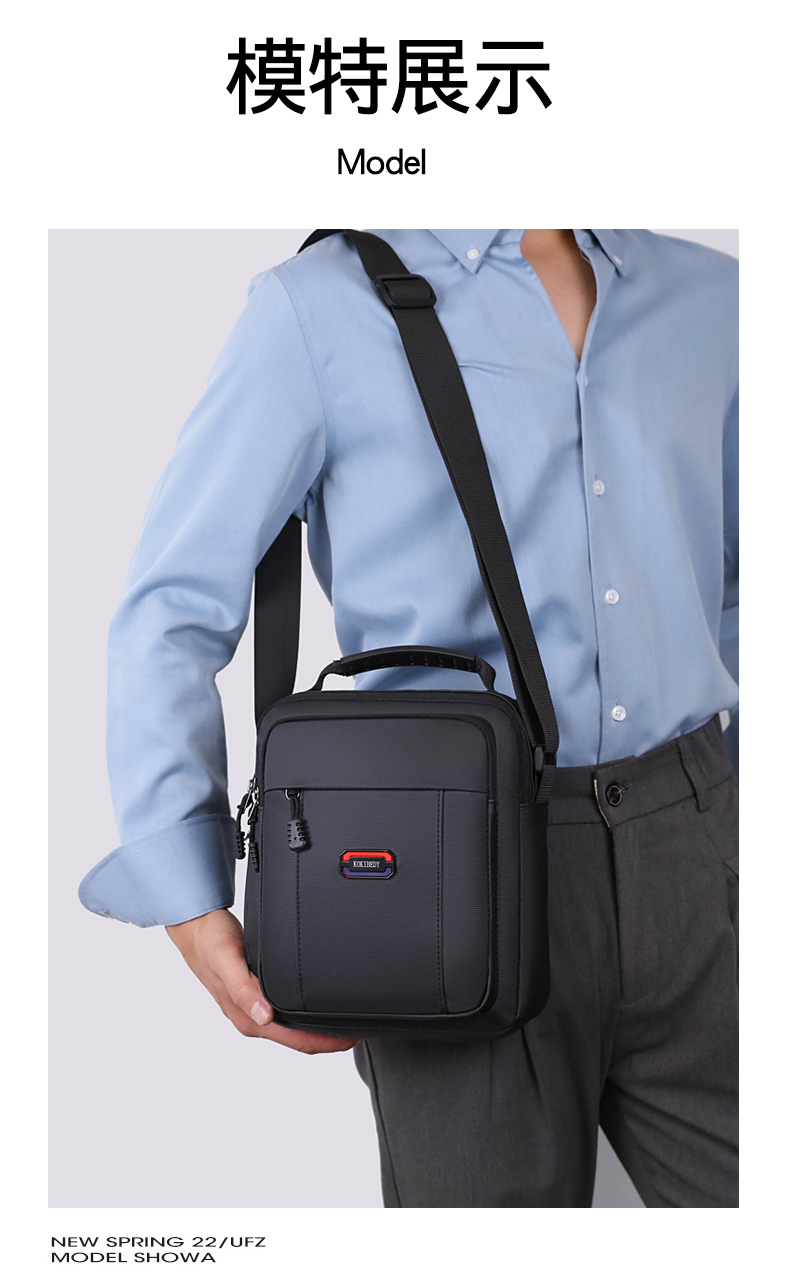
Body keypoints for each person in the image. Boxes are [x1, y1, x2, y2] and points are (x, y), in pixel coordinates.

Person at [78, 229, 738, 1207]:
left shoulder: (717, 297)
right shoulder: (315, 307)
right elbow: (171, 609)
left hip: (700, 848)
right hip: (447, 868)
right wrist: (189, 893)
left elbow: (741, 578)